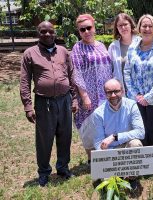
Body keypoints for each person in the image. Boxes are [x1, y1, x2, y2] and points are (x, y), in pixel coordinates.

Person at [20, 21, 78, 187]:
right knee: (44, 139)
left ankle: (63, 167)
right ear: (38, 33)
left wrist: (74, 99)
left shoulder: (63, 51)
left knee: (65, 135)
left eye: (50, 31)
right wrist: (28, 106)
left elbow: (71, 76)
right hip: (44, 103)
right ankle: (44, 172)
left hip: (65, 100)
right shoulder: (30, 53)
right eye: (43, 31)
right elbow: (25, 81)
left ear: (55, 33)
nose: (47, 34)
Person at [124, 14, 153, 166]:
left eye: (150, 26)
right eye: (144, 26)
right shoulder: (132, 49)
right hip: (136, 99)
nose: (147, 29)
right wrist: (136, 95)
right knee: (140, 132)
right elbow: (127, 72)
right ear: (139, 28)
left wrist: (148, 96)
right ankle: (142, 165)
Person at [71, 14, 112, 164]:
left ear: (94, 28)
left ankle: (104, 155)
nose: (86, 31)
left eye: (89, 28)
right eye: (82, 29)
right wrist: (84, 95)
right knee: (88, 126)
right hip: (89, 94)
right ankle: (91, 158)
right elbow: (77, 72)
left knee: (104, 124)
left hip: (105, 93)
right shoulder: (77, 47)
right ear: (79, 32)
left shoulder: (101, 45)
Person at [91, 78, 145, 189]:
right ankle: (114, 175)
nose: (113, 95)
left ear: (122, 91)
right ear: (105, 94)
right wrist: (113, 162)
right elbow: (98, 143)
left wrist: (115, 137)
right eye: (109, 92)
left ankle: (132, 178)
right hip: (110, 152)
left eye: (116, 91)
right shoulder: (98, 113)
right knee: (110, 186)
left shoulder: (132, 105)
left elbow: (141, 132)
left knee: (136, 143)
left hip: (127, 147)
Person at [108, 13, 141, 91]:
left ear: (131, 25)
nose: (123, 27)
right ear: (117, 28)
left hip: (140, 91)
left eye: (125, 24)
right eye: (120, 25)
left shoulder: (140, 43)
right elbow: (109, 70)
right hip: (121, 91)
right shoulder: (113, 47)